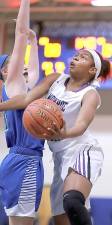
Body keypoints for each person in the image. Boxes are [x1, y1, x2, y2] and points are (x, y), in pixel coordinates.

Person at [0, 49, 110, 225]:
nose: (76, 57)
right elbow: (26, 98)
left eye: (83, 58)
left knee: (72, 201)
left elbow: (81, 126)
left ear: (92, 70)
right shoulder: (55, 79)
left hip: (83, 151)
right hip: (60, 158)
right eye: (76, 55)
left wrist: (63, 133)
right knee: (62, 220)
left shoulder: (90, 94)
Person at [0, 1, 45, 225]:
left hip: (20, 160)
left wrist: (34, 41)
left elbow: (35, 71)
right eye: (17, 63)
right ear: (6, 71)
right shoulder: (13, 84)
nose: (24, 65)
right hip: (23, 162)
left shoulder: (23, 90)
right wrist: (25, 1)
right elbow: (19, 34)